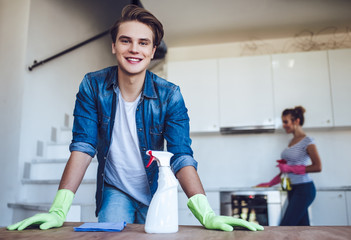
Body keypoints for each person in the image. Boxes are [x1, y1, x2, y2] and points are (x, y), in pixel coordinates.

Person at [8, 5, 263, 232]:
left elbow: (181, 155)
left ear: (153, 51)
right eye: (125, 41)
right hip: (115, 189)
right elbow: (83, 147)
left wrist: (206, 214)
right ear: (114, 46)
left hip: (157, 190)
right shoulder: (92, 86)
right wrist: (58, 210)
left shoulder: (170, 95)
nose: (134, 49)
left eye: (143, 43)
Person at [256, 106, 322, 226]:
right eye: (283, 122)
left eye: (286, 121)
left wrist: (290, 168)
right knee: (302, 228)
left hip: (304, 189)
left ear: (296, 121)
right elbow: (285, 171)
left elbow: (318, 166)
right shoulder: (291, 142)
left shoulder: (308, 141)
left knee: (286, 225)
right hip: (293, 189)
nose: (284, 125)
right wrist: (270, 183)